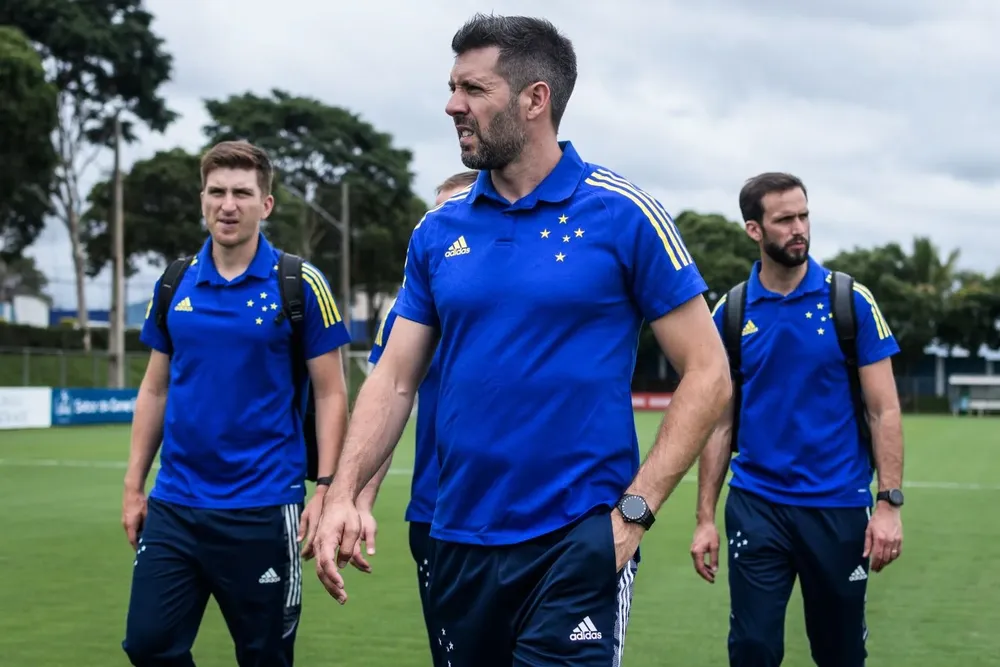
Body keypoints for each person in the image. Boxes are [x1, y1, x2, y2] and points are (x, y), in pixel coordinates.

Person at [314, 13, 731, 666]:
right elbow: (394, 378)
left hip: (577, 540)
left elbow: (708, 372)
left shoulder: (622, 211)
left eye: (473, 89)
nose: (453, 105)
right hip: (456, 538)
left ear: (536, 99)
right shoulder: (438, 229)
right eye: (452, 87)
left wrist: (634, 515)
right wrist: (342, 492)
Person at [120, 140, 351, 667]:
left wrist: (327, 488)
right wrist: (134, 486)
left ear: (265, 204)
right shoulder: (174, 282)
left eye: (242, 193)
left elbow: (331, 392)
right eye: (217, 192)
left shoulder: (300, 283)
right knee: (148, 644)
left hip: (263, 507)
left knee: (264, 656)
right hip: (176, 504)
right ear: (202, 200)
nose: (228, 205)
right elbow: (154, 389)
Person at [689, 172, 905, 667]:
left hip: (837, 507)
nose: (799, 228)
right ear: (754, 230)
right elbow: (718, 424)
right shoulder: (731, 311)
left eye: (804, 216)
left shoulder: (850, 301)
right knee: (753, 648)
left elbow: (884, 409)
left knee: (839, 652)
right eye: (784, 219)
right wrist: (704, 519)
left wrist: (889, 504)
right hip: (757, 504)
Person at [358, 169, 478, 665]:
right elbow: (388, 401)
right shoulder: (410, 313)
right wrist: (359, 499)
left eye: (458, 210)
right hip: (434, 516)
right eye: (436, 214)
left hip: (532, 519)